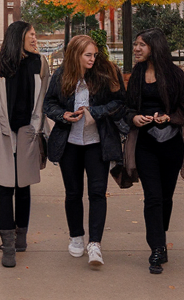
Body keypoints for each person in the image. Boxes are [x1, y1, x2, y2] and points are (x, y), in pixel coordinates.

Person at [43, 35, 125, 267]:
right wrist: (63, 115)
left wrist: (94, 112)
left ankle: (95, 243)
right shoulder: (62, 75)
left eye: (94, 54)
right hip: (70, 144)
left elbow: (119, 102)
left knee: (97, 192)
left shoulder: (105, 73)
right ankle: (76, 236)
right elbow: (49, 104)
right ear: (75, 55)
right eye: (87, 55)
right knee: (73, 193)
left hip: (97, 143)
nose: (92, 58)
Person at [125, 28, 184, 275]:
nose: (136, 49)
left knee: (165, 197)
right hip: (145, 144)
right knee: (152, 197)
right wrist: (134, 118)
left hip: (171, 143)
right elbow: (128, 107)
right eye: (135, 44)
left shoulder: (175, 75)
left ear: (155, 46)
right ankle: (157, 247)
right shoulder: (137, 74)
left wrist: (169, 117)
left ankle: (160, 237)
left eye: (141, 44)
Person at [0, 20, 48, 268]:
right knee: (5, 188)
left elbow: (42, 99)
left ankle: (21, 238)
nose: (34, 38)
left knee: (24, 186)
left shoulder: (39, 62)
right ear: (18, 37)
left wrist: (39, 129)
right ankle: (7, 245)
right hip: (2, 132)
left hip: (28, 131)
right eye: (31, 33)